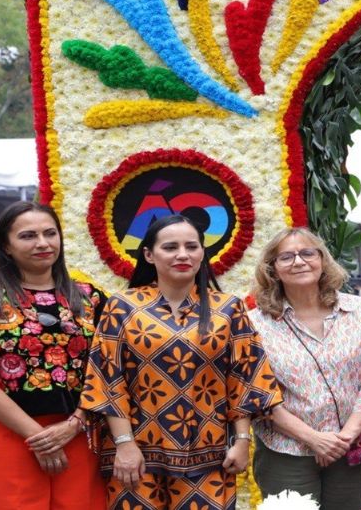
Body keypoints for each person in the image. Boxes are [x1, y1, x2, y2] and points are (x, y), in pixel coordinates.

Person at [81, 214, 281, 509]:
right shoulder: (122, 306)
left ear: (203, 252)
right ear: (149, 254)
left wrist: (242, 441)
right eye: (170, 247)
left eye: (192, 246)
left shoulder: (228, 308)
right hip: (134, 457)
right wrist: (124, 444)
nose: (183, 255)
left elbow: (244, 378)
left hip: (210, 457)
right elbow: (107, 378)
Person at [0, 201, 106, 509]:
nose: (43, 243)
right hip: (4, 431)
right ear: (6, 245)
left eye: (50, 233)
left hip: (77, 432)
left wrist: (75, 424)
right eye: (28, 236)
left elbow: (107, 372)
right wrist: (37, 436)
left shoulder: (91, 298)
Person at [248, 227, 361, 509]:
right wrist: (314, 439)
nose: (299, 262)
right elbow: (257, 392)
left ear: (322, 260)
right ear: (272, 269)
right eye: (286, 257)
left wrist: (343, 437)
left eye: (307, 253)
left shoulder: (358, 311)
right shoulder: (254, 323)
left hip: (350, 446)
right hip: (286, 450)